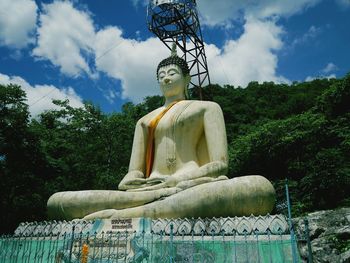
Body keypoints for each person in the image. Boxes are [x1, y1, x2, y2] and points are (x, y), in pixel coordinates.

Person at [47, 46, 275, 220]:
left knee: (258, 188)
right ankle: (150, 207)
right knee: (59, 202)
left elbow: (220, 165)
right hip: (147, 190)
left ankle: (122, 216)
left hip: (192, 184)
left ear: (187, 79)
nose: (165, 78)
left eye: (172, 73)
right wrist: (136, 183)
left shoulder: (206, 108)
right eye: (161, 75)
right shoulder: (144, 121)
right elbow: (132, 174)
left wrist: (176, 180)